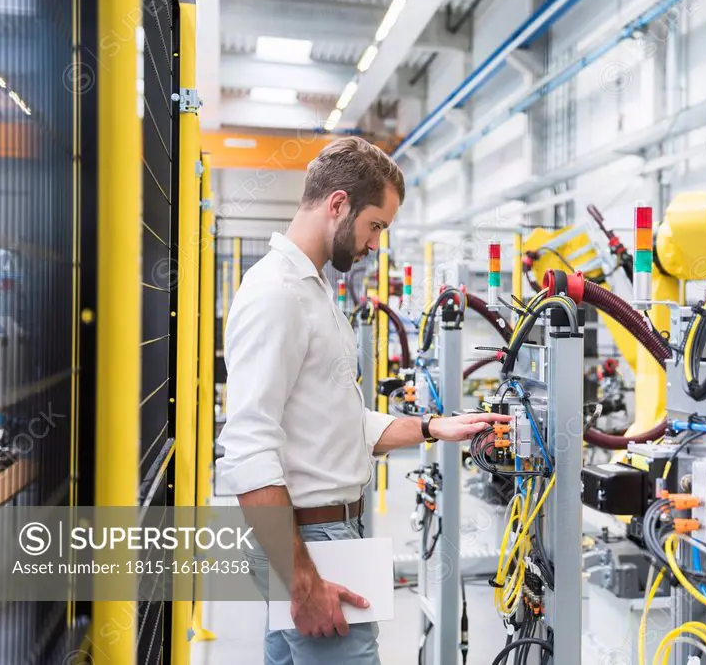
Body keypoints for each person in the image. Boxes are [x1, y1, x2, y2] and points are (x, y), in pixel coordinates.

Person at [217, 136, 509, 665]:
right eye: (376, 225)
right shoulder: (278, 294)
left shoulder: (313, 289)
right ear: (338, 205)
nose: (376, 243)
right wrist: (303, 580)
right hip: (310, 541)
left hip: (320, 534)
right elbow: (246, 449)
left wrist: (432, 428)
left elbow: (340, 420)